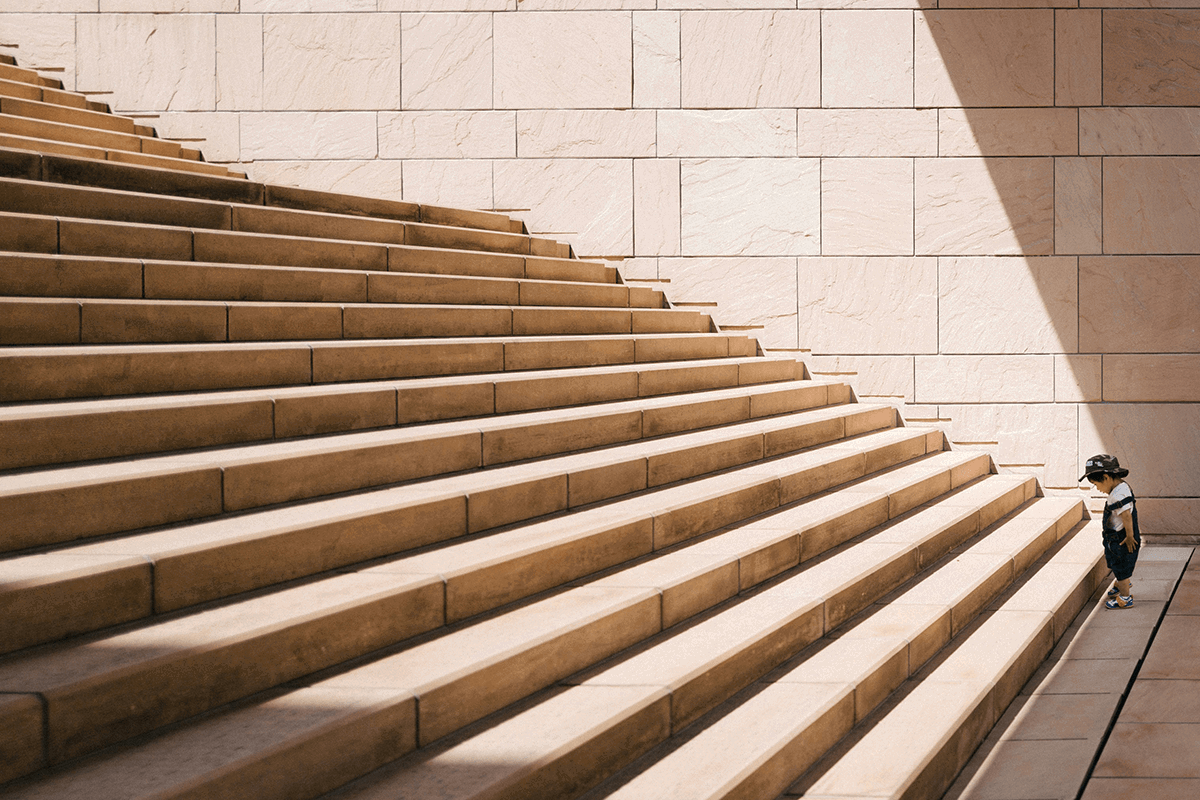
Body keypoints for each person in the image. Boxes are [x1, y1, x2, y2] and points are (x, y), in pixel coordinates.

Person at [1080, 454, 1140, 609]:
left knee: (1121, 566)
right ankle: (1121, 583)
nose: (1097, 489)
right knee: (1117, 563)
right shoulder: (1121, 487)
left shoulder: (1118, 495)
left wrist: (1129, 536)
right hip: (1116, 536)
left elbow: (1126, 516)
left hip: (1121, 538)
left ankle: (1125, 597)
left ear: (1106, 477)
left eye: (1096, 484)